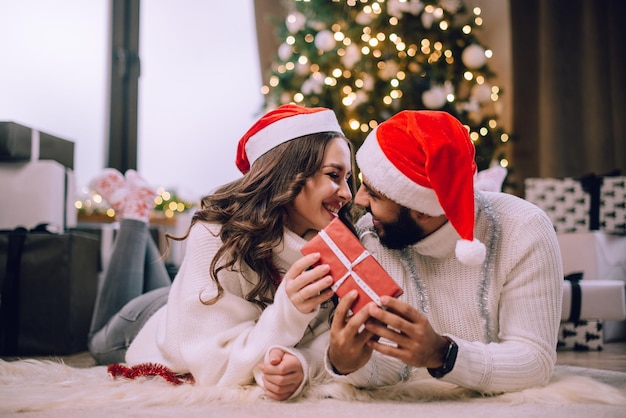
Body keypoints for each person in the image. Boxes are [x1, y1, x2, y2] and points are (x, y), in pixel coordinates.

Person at [87, 104, 355, 401]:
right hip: (155, 324)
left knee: (173, 289)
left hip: (195, 302)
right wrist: (289, 312)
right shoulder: (218, 234)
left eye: (347, 179)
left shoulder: (336, 246)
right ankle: (135, 217)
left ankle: (133, 205)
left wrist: (303, 364)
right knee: (97, 340)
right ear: (290, 172)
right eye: (334, 175)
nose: (347, 193)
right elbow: (214, 370)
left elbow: (331, 341)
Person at [326, 110, 563, 394]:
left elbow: (534, 361)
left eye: (375, 194)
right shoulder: (371, 234)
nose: (358, 198)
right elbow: (387, 369)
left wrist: (443, 354)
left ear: (423, 211)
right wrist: (345, 363)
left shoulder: (524, 229)